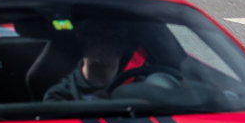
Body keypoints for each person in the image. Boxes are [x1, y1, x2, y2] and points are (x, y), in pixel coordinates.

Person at [44, 28, 173, 102]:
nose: (104, 49)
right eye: (95, 41)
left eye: (112, 40)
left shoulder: (142, 90)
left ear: (121, 49)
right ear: (83, 44)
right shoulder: (59, 96)